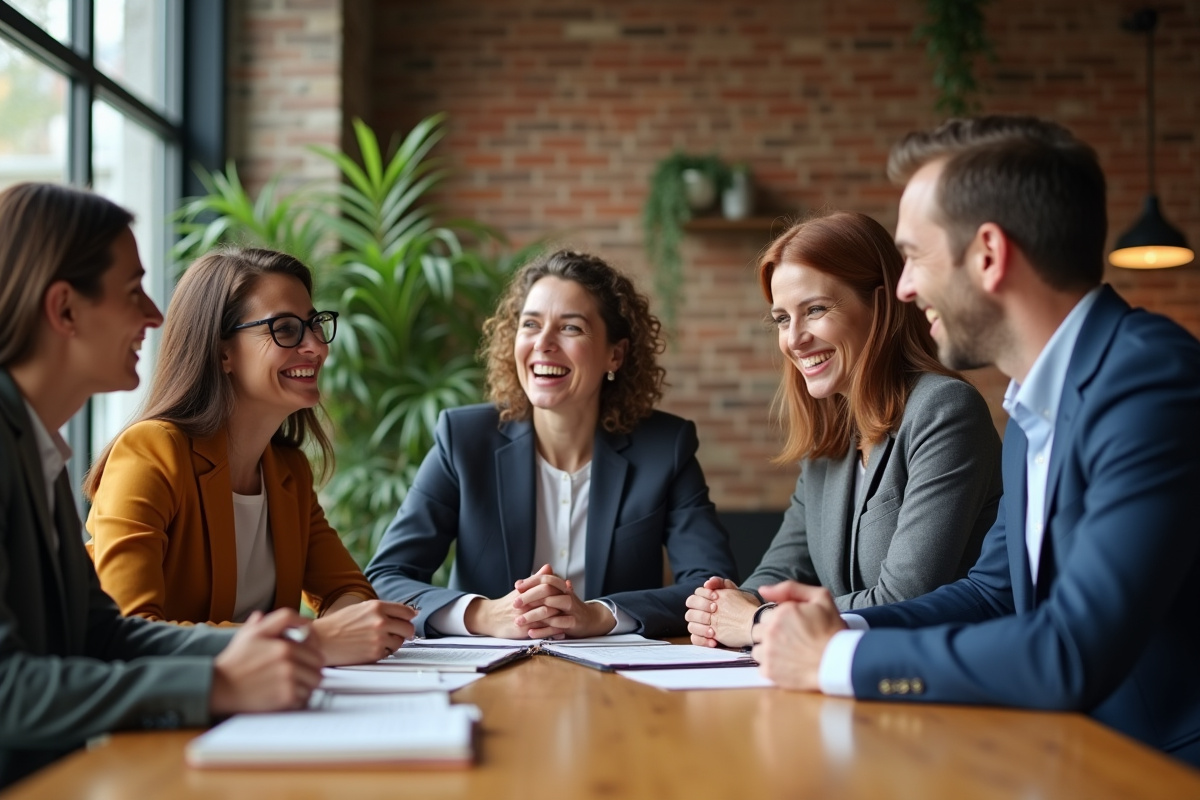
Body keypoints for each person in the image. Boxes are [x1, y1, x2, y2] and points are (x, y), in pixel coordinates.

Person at [751, 116, 1200, 767]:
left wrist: (839, 657)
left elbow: (1070, 651)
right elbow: (993, 593)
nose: (903, 288)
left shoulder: (1149, 380)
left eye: (913, 257)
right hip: (1065, 752)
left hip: (1159, 766)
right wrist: (838, 625)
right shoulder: (1027, 411)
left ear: (988, 254)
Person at [0, 183, 326, 788]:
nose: (155, 315)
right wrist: (221, 681)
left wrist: (267, 647)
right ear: (65, 309)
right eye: (132, 293)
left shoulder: (32, 447)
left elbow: (101, 633)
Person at [366, 249, 738, 639]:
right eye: (530, 324)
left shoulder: (665, 448)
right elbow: (386, 577)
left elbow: (713, 587)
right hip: (486, 678)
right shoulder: (463, 440)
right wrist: (483, 615)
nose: (543, 343)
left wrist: (600, 615)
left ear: (616, 354)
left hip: (615, 680)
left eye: (571, 328)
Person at [685, 211, 1002, 649]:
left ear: (882, 304)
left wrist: (760, 620)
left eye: (814, 310)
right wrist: (725, 606)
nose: (793, 339)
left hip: (936, 685)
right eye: (781, 318)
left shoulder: (944, 410)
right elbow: (778, 573)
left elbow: (904, 598)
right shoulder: (831, 435)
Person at [85, 247, 415, 666]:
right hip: (160, 719)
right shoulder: (150, 451)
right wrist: (309, 639)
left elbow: (347, 592)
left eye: (315, 325)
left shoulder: (287, 471)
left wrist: (351, 626)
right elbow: (130, 630)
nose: (316, 346)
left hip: (260, 711)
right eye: (286, 329)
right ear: (223, 352)